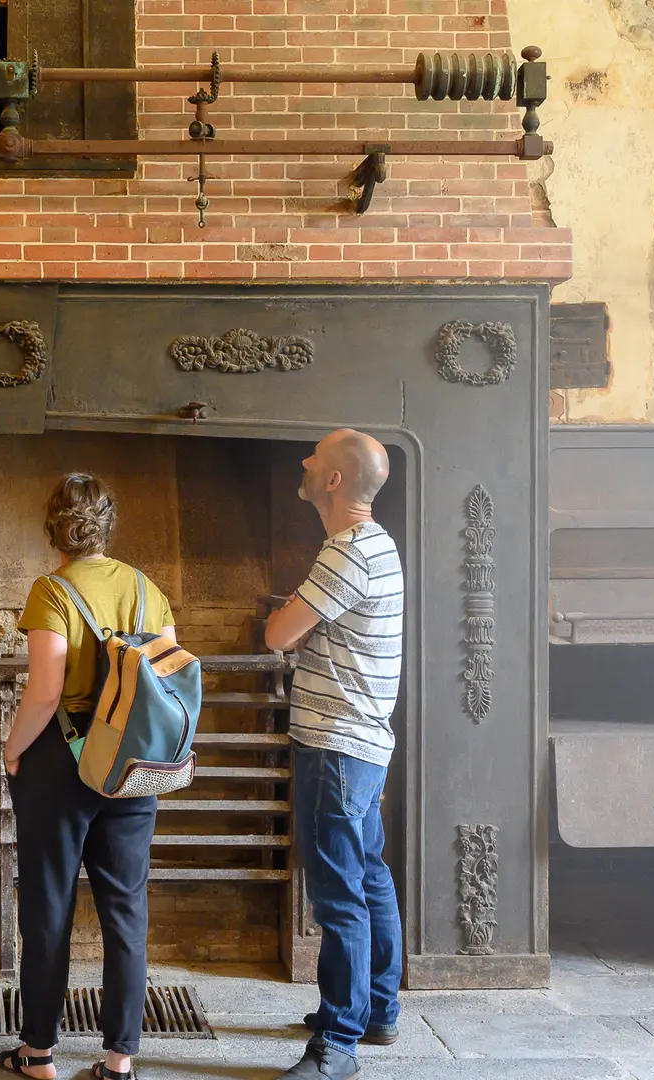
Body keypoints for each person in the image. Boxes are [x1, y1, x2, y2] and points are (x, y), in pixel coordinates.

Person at [0, 474, 176, 1080]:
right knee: (126, 907)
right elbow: (165, 681)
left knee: (49, 904)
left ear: (56, 530)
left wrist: (11, 750)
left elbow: (45, 693)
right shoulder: (149, 590)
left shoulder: (52, 591)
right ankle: (119, 1059)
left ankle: (38, 1052)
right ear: (107, 524)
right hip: (132, 762)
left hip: (61, 762)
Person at [262, 429, 405, 1080]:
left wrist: (291, 608)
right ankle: (377, 1010)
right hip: (365, 742)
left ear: (335, 481)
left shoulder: (346, 553)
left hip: (336, 743)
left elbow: (277, 634)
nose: (304, 461)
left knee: (339, 894)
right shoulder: (378, 546)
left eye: (315, 457)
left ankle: (337, 1046)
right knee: (368, 873)